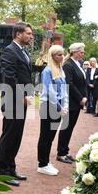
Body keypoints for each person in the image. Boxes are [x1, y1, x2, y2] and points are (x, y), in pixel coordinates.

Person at [0, 22, 34, 186]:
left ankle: (11, 169)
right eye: (28, 33)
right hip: (13, 101)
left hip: (21, 102)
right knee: (9, 136)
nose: (31, 36)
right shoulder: (10, 51)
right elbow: (10, 78)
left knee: (16, 136)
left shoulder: (22, 51)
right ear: (18, 34)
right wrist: (22, 96)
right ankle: (3, 172)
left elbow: (24, 76)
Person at [37, 45, 68, 176]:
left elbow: (64, 89)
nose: (61, 57)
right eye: (58, 55)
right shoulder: (47, 71)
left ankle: (46, 161)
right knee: (45, 136)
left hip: (58, 107)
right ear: (52, 56)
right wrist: (60, 108)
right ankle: (42, 164)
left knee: (50, 136)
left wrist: (65, 104)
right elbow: (50, 92)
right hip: (49, 106)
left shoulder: (60, 70)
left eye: (62, 54)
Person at [56, 43, 87, 164]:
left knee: (70, 127)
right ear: (74, 51)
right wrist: (80, 98)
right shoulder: (68, 65)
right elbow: (69, 83)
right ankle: (61, 153)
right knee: (66, 127)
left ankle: (65, 150)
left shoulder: (77, 63)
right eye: (81, 52)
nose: (83, 54)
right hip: (71, 101)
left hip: (76, 102)